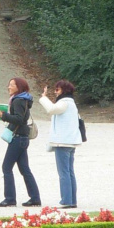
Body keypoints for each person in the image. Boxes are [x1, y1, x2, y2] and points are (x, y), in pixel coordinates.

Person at [0, 77, 41, 207]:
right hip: (23, 137)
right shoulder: (23, 99)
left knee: (6, 167)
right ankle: (35, 197)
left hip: (18, 137)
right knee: (24, 168)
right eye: (9, 84)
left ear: (19, 87)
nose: (9, 87)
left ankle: (10, 198)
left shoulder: (18, 100)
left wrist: (2, 115)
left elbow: (19, 119)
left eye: (12, 85)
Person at [39, 80, 82, 208]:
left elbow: (51, 109)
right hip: (70, 142)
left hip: (63, 142)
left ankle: (66, 200)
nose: (55, 92)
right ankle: (72, 200)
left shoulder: (64, 102)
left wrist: (44, 98)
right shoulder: (72, 103)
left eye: (57, 90)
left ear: (64, 90)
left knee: (64, 172)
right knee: (69, 172)